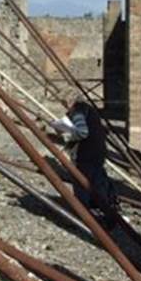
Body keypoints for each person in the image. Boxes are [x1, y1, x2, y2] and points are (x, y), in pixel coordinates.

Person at [50, 96, 118, 226]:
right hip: (97, 151)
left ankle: (84, 214)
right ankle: (106, 211)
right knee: (96, 181)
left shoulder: (78, 112)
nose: (64, 105)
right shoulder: (87, 110)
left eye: (64, 102)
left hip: (87, 154)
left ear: (71, 101)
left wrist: (66, 134)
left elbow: (82, 132)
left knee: (82, 182)